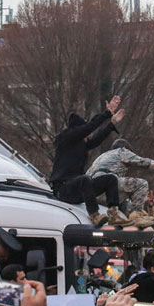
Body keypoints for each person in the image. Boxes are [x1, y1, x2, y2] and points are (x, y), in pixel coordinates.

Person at [49, 96, 129, 226]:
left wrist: (112, 124)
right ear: (78, 131)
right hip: (63, 189)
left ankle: (114, 214)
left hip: (77, 189)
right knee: (85, 179)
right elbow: (89, 128)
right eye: (85, 134)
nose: (88, 137)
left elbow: (96, 140)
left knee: (110, 179)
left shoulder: (80, 145)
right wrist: (107, 113)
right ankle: (94, 215)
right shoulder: (66, 138)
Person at [86, 138, 154, 227]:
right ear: (125, 148)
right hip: (107, 182)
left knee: (125, 203)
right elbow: (146, 163)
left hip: (94, 194)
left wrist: (141, 200)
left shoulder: (101, 157)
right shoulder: (122, 151)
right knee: (142, 184)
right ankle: (137, 216)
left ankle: (130, 214)